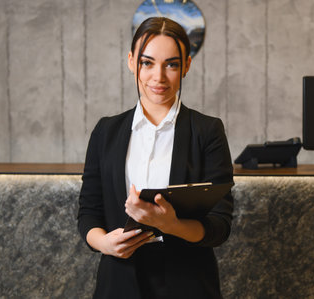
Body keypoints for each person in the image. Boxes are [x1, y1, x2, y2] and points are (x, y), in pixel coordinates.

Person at [77, 17, 234, 299]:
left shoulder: (208, 131)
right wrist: (104, 243)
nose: (158, 77)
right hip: (118, 283)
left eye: (171, 64)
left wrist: (170, 225)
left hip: (188, 283)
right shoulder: (106, 131)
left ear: (186, 66)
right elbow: (89, 211)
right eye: (147, 63)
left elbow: (220, 226)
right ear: (131, 61)